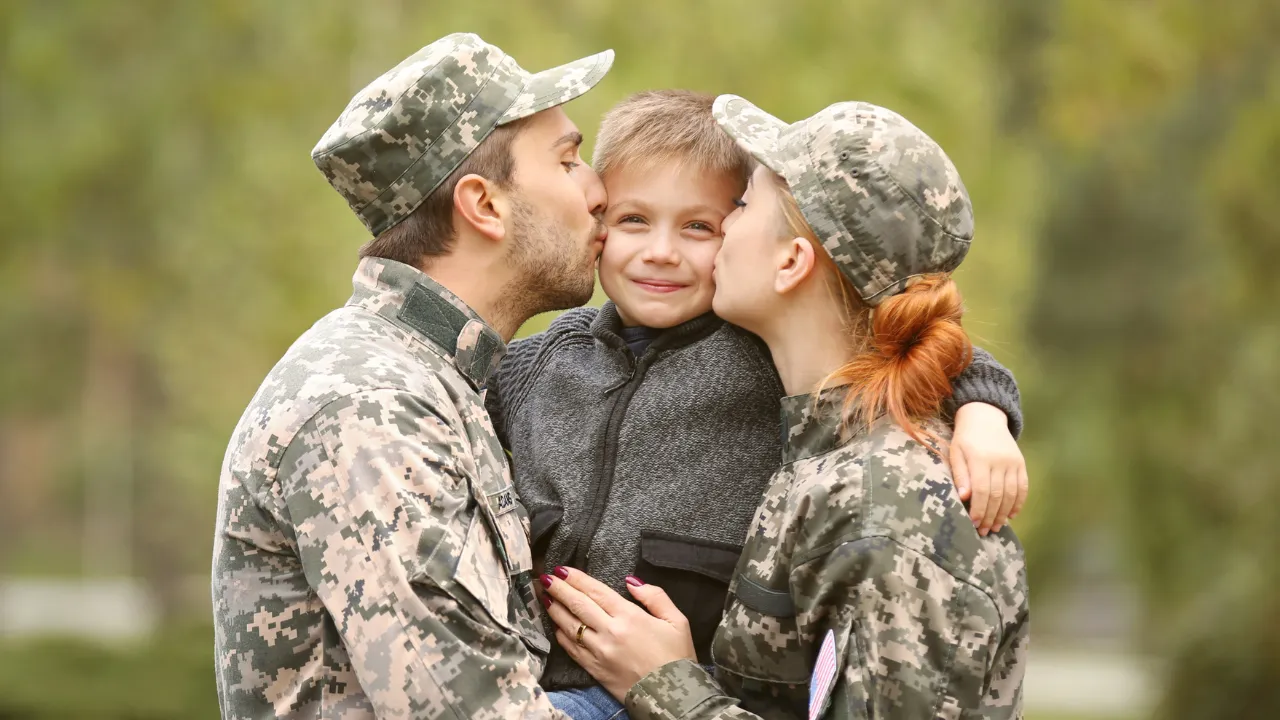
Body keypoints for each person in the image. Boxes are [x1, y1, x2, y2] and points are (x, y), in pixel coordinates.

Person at [488, 90, 1028, 720]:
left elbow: (927, 353)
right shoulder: (815, 444)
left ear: (792, 261)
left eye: (728, 214)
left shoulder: (884, 499)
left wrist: (984, 411)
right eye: (633, 219)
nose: (665, 250)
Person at [211, 32, 613, 719]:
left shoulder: (435, 380)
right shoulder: (370, 407)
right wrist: (679, 696)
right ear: (484, 205)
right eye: (569, 161)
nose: (599, 190)